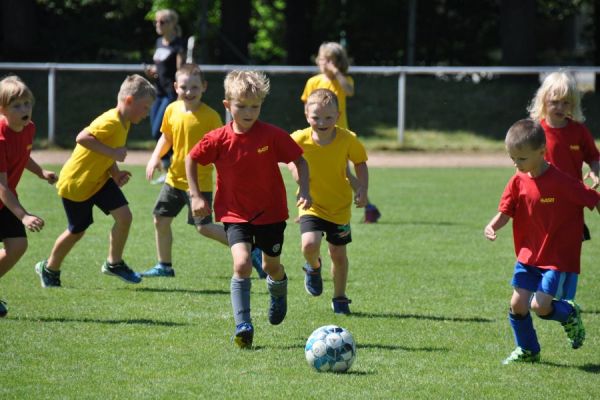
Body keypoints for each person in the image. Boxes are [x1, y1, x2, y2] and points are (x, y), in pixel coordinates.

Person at [185, 70, 311, 349]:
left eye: (255, 106)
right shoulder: (218, 138)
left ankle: (278, 290)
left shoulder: (272, 135)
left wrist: (304, 188)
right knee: (241, 263)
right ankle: (243, 325)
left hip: (272, 214)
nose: (249, 112)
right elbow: (191, 159)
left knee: (270, 267)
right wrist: (195, 196)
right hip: (235, 214)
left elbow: (300, 161)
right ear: (227, 105)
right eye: (241, 106)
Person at [484, 119, 599, 364]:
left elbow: (593, 198)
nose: (516, 163)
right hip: (528, 255)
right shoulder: (517, 180)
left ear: (541, 152)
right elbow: (506, 211)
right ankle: (527, 349)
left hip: (555, 257)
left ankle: (568, 314)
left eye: (521, 158)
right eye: (512, 158)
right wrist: (493, 225)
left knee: (540, 306)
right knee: (517, 304)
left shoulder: (562, 182)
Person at [34, 74, 156, 288]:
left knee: (124, 217)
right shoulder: (110, 120)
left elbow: (106, 153)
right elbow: (82, 137)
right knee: (76, 230)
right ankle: (49, 268)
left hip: (99, 180)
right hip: (77, 183)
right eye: (145, 107)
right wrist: (113, 152)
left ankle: (114, 263)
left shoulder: (124, 123)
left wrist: (115, 173)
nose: (147, 113)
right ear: (129, 101)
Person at [142, 63, 234, 277]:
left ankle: (247, 247)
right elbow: (166, 137)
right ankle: (164, 266)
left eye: (194, 87)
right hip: (173, 180)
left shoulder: (211, 117)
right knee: (160, 219)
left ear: (204, 87)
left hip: (199, 185)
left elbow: (222, 150)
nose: (189, 92)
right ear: (175, 87)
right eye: (184, 87)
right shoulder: (171, 109)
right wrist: (155, 157)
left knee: (204, 228)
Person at [289, 89, 369, 314]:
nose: (322, 122)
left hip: (339, 208)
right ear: (306, 115)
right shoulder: (299, 138)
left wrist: (362, 189)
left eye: (328, 117)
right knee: (309, 245)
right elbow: (288, 158)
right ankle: (313, 268)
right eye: (316, 117)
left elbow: (360, 163)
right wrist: (299, 178)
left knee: (338, 254)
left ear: (338, 115)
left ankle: (340, 297)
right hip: (311, 205)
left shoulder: (348, 139)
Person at [527, 71, 600, 301]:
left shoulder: (578, 131)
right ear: (543, 100)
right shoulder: (536, 132)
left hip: (571, 205)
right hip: (543, 205)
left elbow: (594, 157)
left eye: (565, 102)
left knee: (568, 249)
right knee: (542, 247)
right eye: (554, 101)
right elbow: (524, 162)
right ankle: (541, 290)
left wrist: (596, 170)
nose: (560, 107)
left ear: (573, 103)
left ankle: (567, 302)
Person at [301, 42, 380, 223]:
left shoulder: (343, 79)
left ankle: (368, 205)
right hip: (318, 135)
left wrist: (336, 72)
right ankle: (312, 209)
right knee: (316, 169)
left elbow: (349, 91)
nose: (325, 63)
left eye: (330, 60)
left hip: (337, 135)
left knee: (343, 173)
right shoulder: (313, 82)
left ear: (338, 62)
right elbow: (308, 107)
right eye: (323, 59)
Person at [0, 76, 57, 317]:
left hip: (5, 201)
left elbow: (23, 155)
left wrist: (41, 172)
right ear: (2, 110)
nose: (24, 109)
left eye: (27, 103)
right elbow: (1, 186)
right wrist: (23, 216)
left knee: (18, 245)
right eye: (17, 105)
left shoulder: (28, 128)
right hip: (5, 196)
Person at [145, 9, 186, 184]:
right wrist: (153, 72)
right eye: (156, 22)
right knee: (155, 131)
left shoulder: (179, 45)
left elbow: (181, 72)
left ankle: (170, 167)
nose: (158, 25)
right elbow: (160, 67)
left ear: (172, 24)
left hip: (171, 93)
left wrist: (180, 97)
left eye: (162, 22)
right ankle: (169, 168)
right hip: (158, 93)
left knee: (159, 131)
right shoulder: (158, 42)